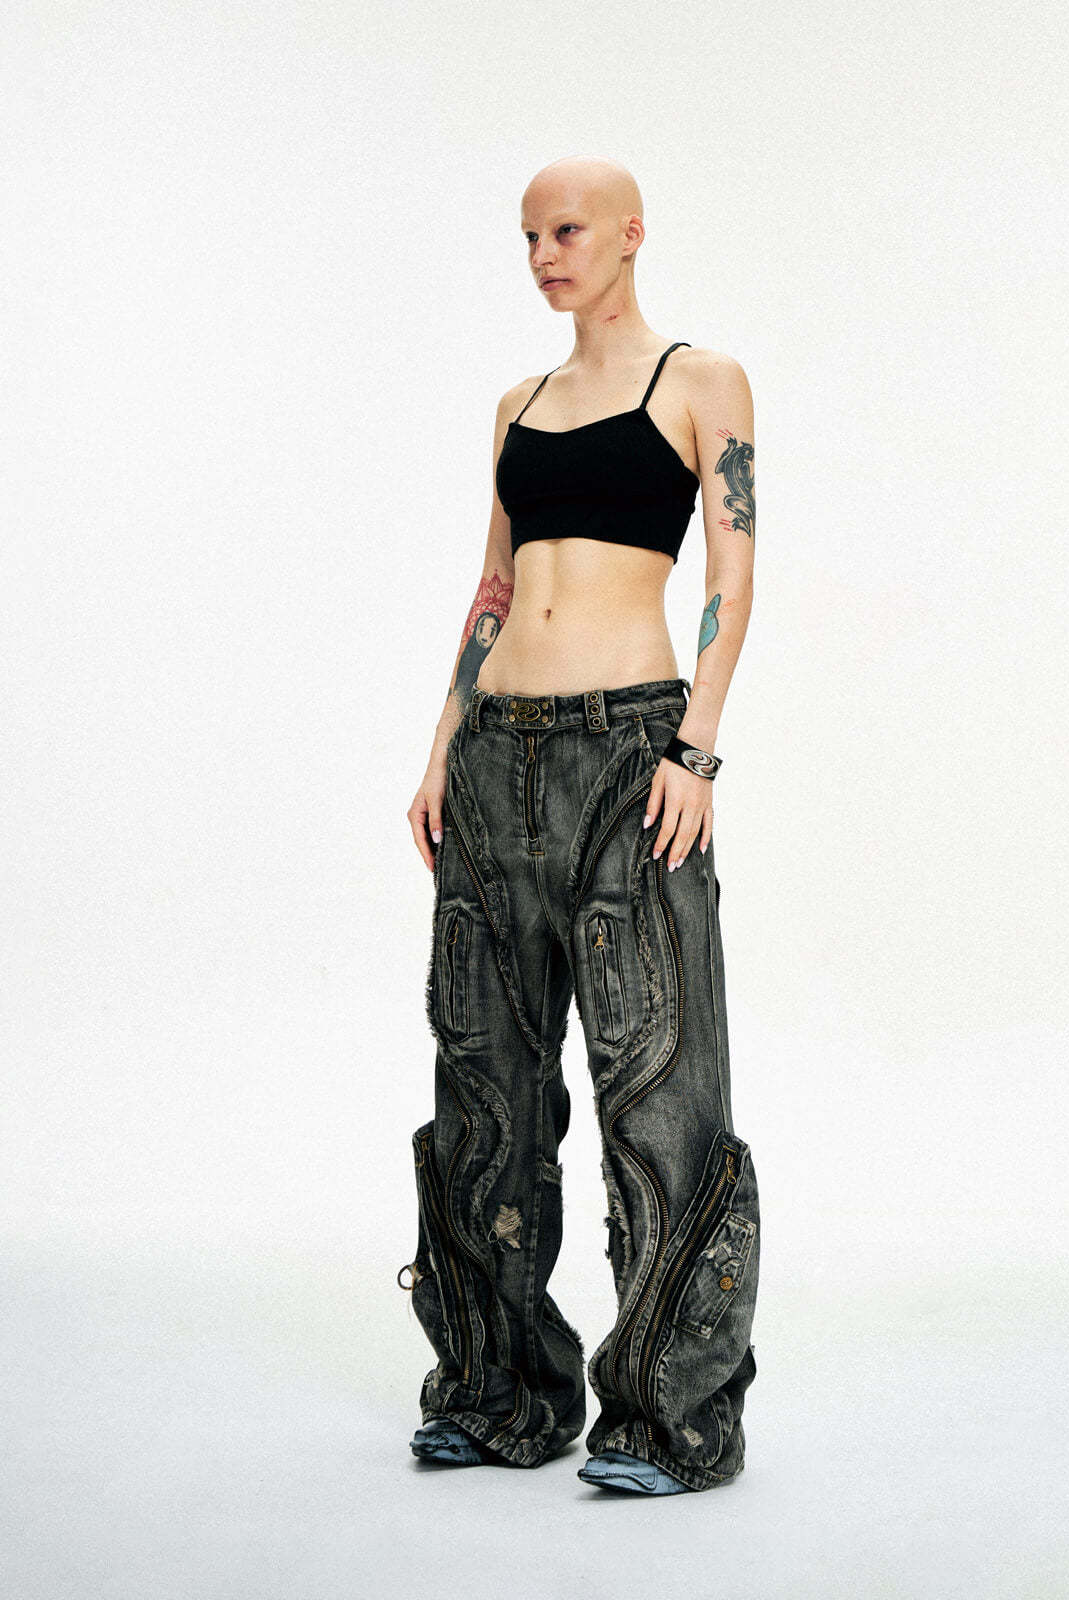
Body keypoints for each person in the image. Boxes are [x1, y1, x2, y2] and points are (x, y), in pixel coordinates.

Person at [397, 155, 760, 1495]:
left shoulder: (699, 381)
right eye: (529, 235)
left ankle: (671, 1420)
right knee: (483, 1081)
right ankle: (501, 1393)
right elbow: (494, 581)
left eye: (565, 230)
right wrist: (444, 743)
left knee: (656, 1083)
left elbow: (733, 571)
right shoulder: (520, 404)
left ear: (628, 234)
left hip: (630, 752)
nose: (544, 253)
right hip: (498, 754)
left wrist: (695, 749)